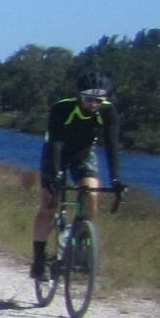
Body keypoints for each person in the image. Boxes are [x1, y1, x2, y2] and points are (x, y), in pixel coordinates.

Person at [33, 76, 126, 281]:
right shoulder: (62, 108)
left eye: (99, 100)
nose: (94, 104)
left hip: (83, 152)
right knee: (49, 205)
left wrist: (116, 179)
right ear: (79, 96)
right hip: (56, 152)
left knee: (91, 192)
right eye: (88, 99)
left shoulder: (108, 111)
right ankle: (39, 259)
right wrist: (56, 175)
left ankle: (82, 239)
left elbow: (112, 145)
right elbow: (56, 141)